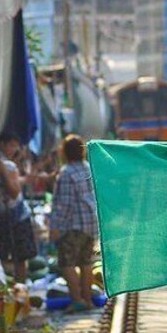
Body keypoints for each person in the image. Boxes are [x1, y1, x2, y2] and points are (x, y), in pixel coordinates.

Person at [49, 134, 99, 312]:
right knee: (86, 263)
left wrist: (55, 227)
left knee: (67, 263)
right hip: (91, 223)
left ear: (65, 153)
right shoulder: (88, 168)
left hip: (74, 226)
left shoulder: (66, 173)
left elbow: (64, 205)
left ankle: (77, 299)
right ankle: (88, 300)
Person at [0, 131, 37, 284]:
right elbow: (14, 192)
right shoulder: (6, 165)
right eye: (11, 145)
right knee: (19, 257)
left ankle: (13, 288)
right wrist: (5, 173)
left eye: (16, 146)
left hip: (1, 216)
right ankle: (20, 288)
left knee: (3, 256)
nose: (14, 149)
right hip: (14, 217)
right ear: (1, 144)